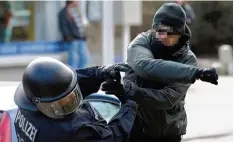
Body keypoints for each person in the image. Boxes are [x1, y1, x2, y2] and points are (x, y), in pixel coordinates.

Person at [102, 3, 218, 142]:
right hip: (135, 125)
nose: (163, 36)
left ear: (180, 34)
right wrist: (123, 91)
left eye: (169, 32)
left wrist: (131, 92)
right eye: (159, 30)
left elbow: (167, 98)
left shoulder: (188, 60)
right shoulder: (141, 42)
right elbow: (143, 66)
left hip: (167, 130)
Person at [14, 57, 138, 142]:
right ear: (43, 105)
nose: (72, 100)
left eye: (73, 95)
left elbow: (63, 85)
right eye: (64, 104)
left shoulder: (29, 104)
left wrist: (100, 73)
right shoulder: (74, 131)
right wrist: (130, 106)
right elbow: (113, 137)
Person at [58, 0, 90, 69]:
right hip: (72, 40)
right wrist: (68, 37)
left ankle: (81, 74)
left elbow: (80, 25)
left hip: (81, 39)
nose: (78, 2)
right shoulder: (63, 12)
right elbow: (62, 26)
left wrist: (84, 34)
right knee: (73, 60)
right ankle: (73, 76)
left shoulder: (77, 11)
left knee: (85, 58)